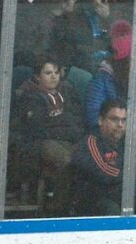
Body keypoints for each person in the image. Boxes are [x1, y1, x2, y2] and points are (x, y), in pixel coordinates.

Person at [13, 57, 86, 216]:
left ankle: (79, 205)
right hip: (39, 144)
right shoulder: (29, 96)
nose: (53, 76)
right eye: (48, 73)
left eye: (56, 72)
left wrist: (60, 124)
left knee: (85, 159)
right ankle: (58, 209)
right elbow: (40, 127)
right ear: (38, 76)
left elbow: (78, 120)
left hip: (69, 140)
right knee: (66, 160)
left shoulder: (68, 92)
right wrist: (64, 124)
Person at [69, 100, 136, 216]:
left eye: (124, 120)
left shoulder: (130, 138)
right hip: (96, 198)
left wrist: (129, 162)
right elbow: (104, 173)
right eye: (114, 119)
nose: (120, 125)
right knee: (112, 210)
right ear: (101, 120)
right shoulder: (90, 142)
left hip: (124, 193)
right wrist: (134, 170)